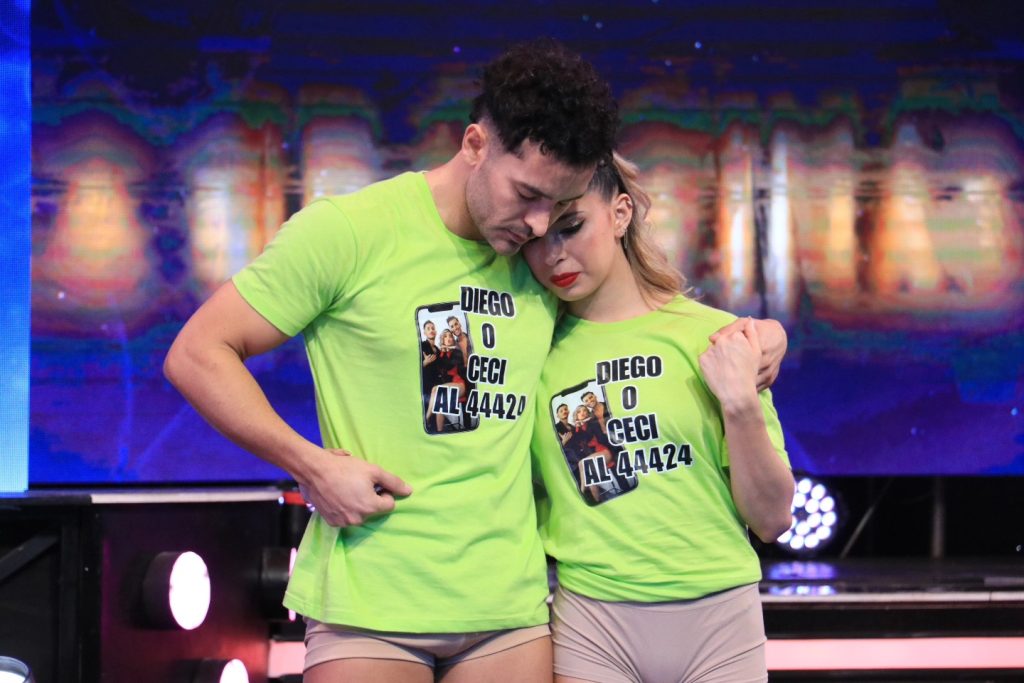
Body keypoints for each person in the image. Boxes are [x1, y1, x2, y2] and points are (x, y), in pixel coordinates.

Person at [165, 38, 619, 682]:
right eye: (527, 194)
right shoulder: (351, 231)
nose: (540, 225)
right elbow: (197, 353)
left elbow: (636, 313)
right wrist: (310, 465)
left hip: (509, 608)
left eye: (560, 206)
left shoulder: (539, 261)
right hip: (370, 600)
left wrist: (747, 337)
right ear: (475, 144)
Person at [523, 153, 795, 683]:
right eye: (536, 238)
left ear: (620, 213)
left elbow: (772, 518)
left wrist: (740, 403)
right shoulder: (531, 352)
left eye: (571, 227)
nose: (554, 254)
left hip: (721, 622)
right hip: (593, 623)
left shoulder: (714, 337)